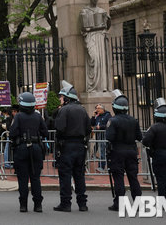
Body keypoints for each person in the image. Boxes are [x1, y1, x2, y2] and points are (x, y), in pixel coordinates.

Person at [53, 80, 91, 212]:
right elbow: (88, 129)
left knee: (65, 175)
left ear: (67, 98)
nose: (60, 99)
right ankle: (82, 204)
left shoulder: (64, 110)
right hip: (80, 146)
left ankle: (66, 203)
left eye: (62, 97)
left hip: (67, 146)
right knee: (79, 175)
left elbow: (59, 128)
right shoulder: (82, 110)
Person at [9, 92, 48, 212]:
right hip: (36, 148)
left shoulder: (18, 117)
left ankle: (23, 205)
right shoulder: (38, 117)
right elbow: (45, 132)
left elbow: (12, 133)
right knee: (35, 178)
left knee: (23, 178)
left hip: (21, 148)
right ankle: (38, 205)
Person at [105, 90, 142, 211]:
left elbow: (109, 137)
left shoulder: (113, 121)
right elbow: (139, 137)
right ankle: (138, 203)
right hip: (131, 151)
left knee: (119, 178)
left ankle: (119, 203)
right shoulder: (134, 120)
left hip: (117, 152)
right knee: (133, 178)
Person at [80, 0, 112, 92]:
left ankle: (102, 86)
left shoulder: (101, 11)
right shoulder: (84, 11)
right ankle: (92, 86)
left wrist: (107, 20)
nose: (95, 0)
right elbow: (85, 28)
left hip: (100, 36)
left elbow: (107, 26)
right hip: (91, 37)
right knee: (93, 59)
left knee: (101, 61)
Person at [90, 103, 111, 172]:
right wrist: (93, 116)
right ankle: (101, 166)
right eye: (96, 108)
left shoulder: (108, 115)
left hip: (105, 135)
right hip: (99, 136)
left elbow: (109, 125)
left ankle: (106, 167)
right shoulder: (97, 115)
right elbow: (92, 124)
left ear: (102, 109)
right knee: (101, 151)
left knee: (105, 151)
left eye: (98, 108)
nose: (97, 110)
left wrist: (101, 127)